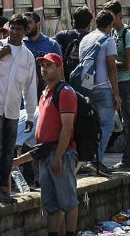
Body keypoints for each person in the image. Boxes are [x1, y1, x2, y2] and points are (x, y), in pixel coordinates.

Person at [0, 14, 38, 203]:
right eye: (11, 28)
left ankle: (4, 189)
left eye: (18, 29)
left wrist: (30, 115)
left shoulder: (27, 56)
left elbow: (30, 87)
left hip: (12, 109)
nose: (14, 32)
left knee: (8, 151)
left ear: (25, 32)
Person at [31, 53, 79, 236]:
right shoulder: (44, 94)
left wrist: (59, 155)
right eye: (42, 65)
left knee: (68, 201)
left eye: (49, 65)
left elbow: (67, 128)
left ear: (59, 69)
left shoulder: (64, 92)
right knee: (51, 204)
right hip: (46, 154)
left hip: (62, 153)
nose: (44, 68)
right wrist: (38, 156)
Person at [78, 10, 120, 178]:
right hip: (103, 88)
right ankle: (96, 161)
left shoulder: (85, 39)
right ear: (110, 25)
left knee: (89, 126)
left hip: (85, 88)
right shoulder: (108, 40)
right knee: (107, 125)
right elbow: (112, 68)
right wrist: (116, 94)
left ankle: (85, 160)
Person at [103, 0, 130, 172]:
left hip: (126, 83)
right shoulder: (113, 34)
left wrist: (109, 62)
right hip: (116, 83)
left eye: (111, 16)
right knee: (124, 121)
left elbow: (128, 64)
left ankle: (128, 159)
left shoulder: (128, 34)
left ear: (119, 15)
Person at [24, 11, 63, 97]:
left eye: (29, 22)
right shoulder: (21, 44)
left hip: (46, 92)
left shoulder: (52, 44)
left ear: (38, 24)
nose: (26, 26)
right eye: (25, 23)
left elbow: (60, 71)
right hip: (25, 93)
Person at [54, 6, 94, 81]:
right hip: (86, 81)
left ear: (73, 22)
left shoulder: (61, 36)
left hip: (66, 79)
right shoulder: (93, 38)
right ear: (89, 23)